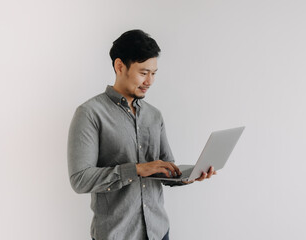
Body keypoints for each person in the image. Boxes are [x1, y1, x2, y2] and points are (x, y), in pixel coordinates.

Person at [67, 29, 216, 240]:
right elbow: (80, 179)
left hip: (158, 231)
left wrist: (188, 176)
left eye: (154, 73)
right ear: (120, 66)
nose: (150, 81)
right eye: (143, 72)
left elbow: (166, 168)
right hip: (117, 234)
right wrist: (137, 169)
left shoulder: (154, 115)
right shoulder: (89, 113)